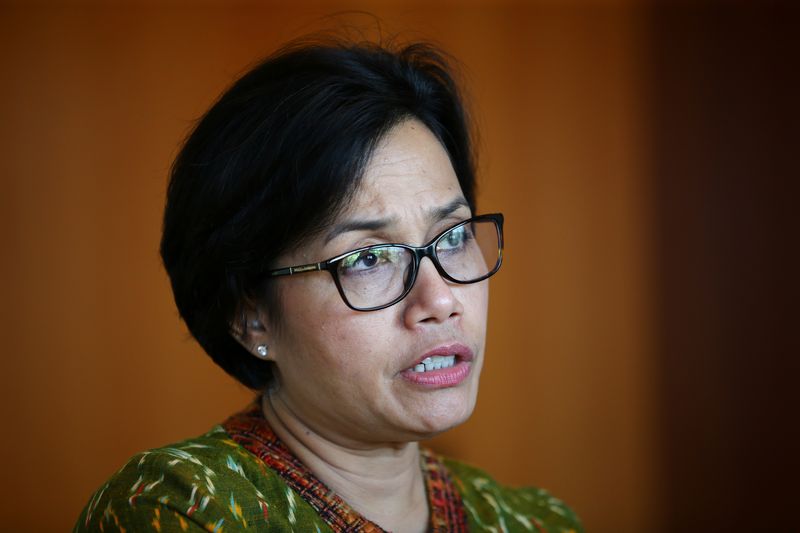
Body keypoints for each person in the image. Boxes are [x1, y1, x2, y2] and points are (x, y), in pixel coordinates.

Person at [75, 35, 583, 533]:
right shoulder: (178, 509)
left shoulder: (535, 521)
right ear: (250, 312)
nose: (441, 299)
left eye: (452, 237)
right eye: (368, 257)